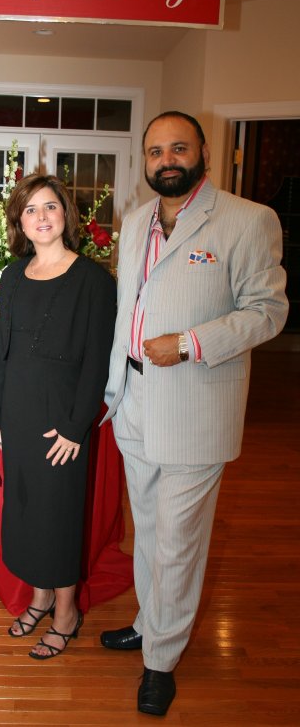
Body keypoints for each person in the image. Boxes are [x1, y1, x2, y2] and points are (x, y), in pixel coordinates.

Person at [100, 111, 289, 716]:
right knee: (148, 531)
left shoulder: (248, 220)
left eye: (178, 148)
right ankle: (148, 622)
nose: (167, 161)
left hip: (195, 406)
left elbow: (268, 312)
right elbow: (128, 307)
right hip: (134, 402)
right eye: (156, 152)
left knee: (179, 541)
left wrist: (188, 343)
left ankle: (161, 660)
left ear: (203, 151)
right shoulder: (136, 221)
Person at [0, 174, 116, 660]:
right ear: (19, 222)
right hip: (17, 413)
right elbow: (2, 352)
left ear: (66, 213)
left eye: (49, 207)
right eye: (30, 210)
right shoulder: (12, 276)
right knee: (25, 512)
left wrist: (76, 426)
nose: (41, 217)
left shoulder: (94, 281)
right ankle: (39, 598)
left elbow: (97, 362)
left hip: (61, 418)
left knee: (58, 516)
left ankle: (66, 613)